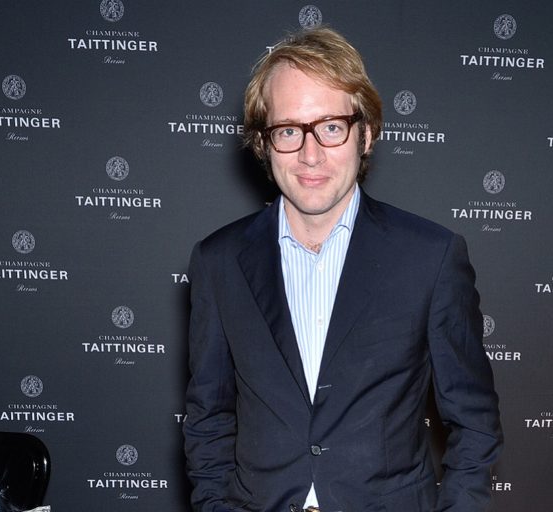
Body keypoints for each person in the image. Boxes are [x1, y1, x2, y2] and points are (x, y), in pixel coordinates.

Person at [184, 27, 502, 512]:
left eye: (331, 127)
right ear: (263, 144)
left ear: (366, 134)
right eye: (288, 130)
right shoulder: (218, 262)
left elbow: (475, 424)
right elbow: (208, 419)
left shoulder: (431, 257)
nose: (310, 154)